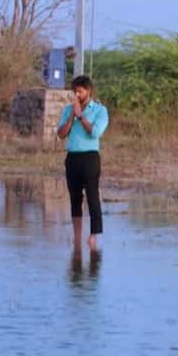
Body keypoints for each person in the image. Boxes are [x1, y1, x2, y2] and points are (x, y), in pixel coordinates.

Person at [57, 75, 110, 251]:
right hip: (72, 157)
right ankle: (77, 237)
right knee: (75, 198)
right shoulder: (68, 110)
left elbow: (95, 133)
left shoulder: (100, 110)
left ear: (88, 91)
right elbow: (61, 134)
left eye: (80, 91)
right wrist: (72, 115)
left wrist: (81, 117)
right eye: (75, 91)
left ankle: (94, 235)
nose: (77, 94)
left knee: (92, 196)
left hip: (90, 157)